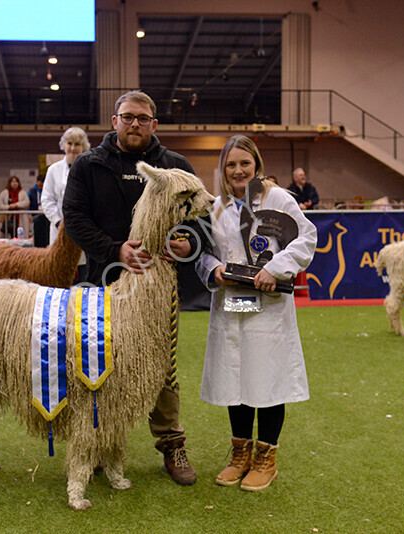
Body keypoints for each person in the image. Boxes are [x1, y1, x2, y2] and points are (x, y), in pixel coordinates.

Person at [62, 90, 198, 485]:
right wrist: (115, 249)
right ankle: (99, 443)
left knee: (160, 368)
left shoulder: (175, 167)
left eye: (142, 118)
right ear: (114, 120)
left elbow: (200, 217)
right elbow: (74, 218)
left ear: (154, 124)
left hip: (158, 291)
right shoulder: (89, 165)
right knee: (93, 364)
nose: (134, 123)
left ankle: (172, 443)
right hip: (101, 283)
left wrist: (189, 241)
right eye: (127, 117)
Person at [195, 135, 316, 491]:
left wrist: (276, 268)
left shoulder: (278, 199)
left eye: (244, 164)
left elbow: (306, 238)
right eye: (231, 165)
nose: (238, 171)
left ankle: (266, 457)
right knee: (236, 376)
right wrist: (213, 269)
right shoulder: (214, 207)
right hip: (233, 301)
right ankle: (240, 454)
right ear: (222, 169)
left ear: (257, 165)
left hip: (269, 304)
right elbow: (203, 252)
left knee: (267, 376)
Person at [43, 127, 91, 278]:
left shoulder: (90, 169)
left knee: (83, 273)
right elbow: (47, 200)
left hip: (83, 230)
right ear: (63, 145)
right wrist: (59, 223)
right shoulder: (53, 170)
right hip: (59, 231)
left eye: (77, 144)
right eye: (69, 143)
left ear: (83, 147)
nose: (72, 148)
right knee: (60, 274)